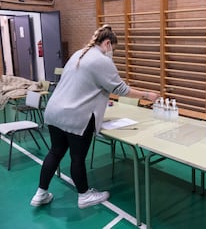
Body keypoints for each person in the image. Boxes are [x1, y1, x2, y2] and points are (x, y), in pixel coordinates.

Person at [30, 25, 159, 209]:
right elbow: (120, 89)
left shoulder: (79, 54)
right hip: (75, 116)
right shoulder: (101, 60)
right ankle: (84, 195)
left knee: (55, 152)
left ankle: (40, 193)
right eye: (112, 49)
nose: (112, 53)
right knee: (77, 157)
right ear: (107, 43)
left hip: (54, 111)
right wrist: (147, 95)